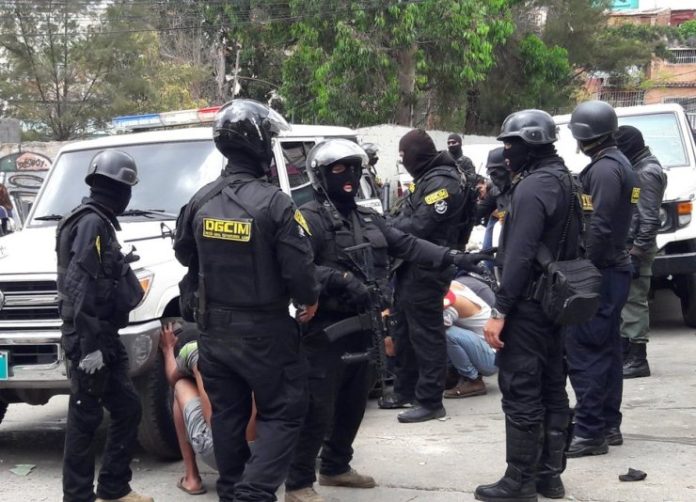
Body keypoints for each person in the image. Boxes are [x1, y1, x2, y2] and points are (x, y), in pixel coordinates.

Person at [285, 139, 485, 502]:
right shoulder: (307, 219)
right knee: (318, 407)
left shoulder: (368, 217)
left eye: (354, 169)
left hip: (366, 325)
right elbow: (298, 268)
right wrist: (341, 279)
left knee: (354, 402)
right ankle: (298, 483)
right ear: (320, 176)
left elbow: (407, 244)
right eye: (338, 170)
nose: (348, 176)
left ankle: (335, 467)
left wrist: (453, 257)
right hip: (325, 329)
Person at [173, 99, 320, 502]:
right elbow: (299, 269)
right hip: (266, 332)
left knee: (227, 416)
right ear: (259, 145)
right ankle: (252, 493)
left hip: (214, 333)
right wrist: (308, 300)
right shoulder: (276, 203)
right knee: (285, 412)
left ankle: (232, 491)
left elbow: (184, 254)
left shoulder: (200, 200)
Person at [474, 109, 580, 502]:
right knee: (553, 387)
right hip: (556, 303)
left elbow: (519, 255)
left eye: (509, 146)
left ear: (529, 144)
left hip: (530, 305)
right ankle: (550, 477)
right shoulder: (568, 180)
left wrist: (500, 311)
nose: (505, 154)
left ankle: (520, 481)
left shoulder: (533, 186)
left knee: (522, 391)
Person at [56, 150, 151, 502]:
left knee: (127, 408)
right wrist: (91, 347)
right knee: (85, 416)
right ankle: (78, 496)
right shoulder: (91, 224)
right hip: (89, 338)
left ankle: (114, 488)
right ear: (120, 189)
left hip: (102, 334)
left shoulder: (96, 221)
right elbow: (80, 286)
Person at [381, 129, 470, 423]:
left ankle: (431, 401)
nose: (405, 163)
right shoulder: (427, 178)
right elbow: (404, 217)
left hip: (429, 266)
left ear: (416, 156)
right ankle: (405, 390)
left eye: (405, 157)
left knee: (426, 333)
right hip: (410, 263)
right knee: (403, 328)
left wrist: (385, 229)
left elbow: (419, 225)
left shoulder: (443, 181)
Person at [565, 100, 638, 458]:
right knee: (606, 350)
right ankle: (607, 424)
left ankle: (591, 430)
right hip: (612, 269)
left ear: (584, 134)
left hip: (602, 271)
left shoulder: (605, 170)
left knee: (587, 351)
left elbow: (600, 226)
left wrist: (584, 272)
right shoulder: (617, 163)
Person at [616, 125, 667, 379]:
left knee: (634, 301)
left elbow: (648, 219)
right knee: (626, 301)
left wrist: (636, 253)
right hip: (633, 245)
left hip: (638, 247)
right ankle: (627, 354)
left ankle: (638, 359)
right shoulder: (639, 167)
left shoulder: (646, 172)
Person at [443, 279, 497, 398]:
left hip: (492, 359)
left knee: (446, 334)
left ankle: (473, 380)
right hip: (491, 349)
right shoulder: (453, 284)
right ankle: (456, 375)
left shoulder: (448, 304)